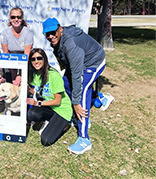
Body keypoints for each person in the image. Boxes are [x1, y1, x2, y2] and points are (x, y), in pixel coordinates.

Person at [42, 17, 114, 154]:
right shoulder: (55, 40)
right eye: (47, 34)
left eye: (52, 32)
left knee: (81, 94)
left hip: (94, 62)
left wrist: (76, 103)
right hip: (80, 62)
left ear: (60, 29)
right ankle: (100, 99)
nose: (50, 36)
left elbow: (77, 76)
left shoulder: (70, 44)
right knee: (64, 85)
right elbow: (63, 61)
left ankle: (84, 139)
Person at [26, 48, 73, 146]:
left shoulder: (53, 75)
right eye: (33, 59)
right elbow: (35, 90)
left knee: (46, 141)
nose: (36, 61)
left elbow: (57, 101)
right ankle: (50, 121)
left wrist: (38, 103)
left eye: (39, 58)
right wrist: (27, 88)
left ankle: (65, 125)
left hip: (62, 110)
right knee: (32, 114)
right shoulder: (35, 74)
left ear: (45, 59)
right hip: (49, 107)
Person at [0, 7, 34, 86]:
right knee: (9, 81)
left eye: (18, 17)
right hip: (10, 62)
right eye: (13, 17)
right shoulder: (5, 33)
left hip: (25, 61)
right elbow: (6, 54)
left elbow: (27, 55)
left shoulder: (28, 33)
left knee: (23, 83)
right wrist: (13, 73)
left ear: (22, 18)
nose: (16, 19)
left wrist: (20, 74)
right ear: (9, 18)